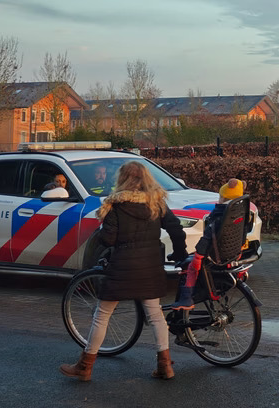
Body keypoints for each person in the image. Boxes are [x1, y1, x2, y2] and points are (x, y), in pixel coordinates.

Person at [60, 161, 188, 382]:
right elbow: (176, 229)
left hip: (123, 265)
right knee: (156, 315)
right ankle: (165, 365)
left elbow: (108, 239)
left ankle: (85, 366)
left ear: (122, 179)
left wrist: (101, 231)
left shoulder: (115, 206)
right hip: (150, 265)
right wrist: (180, 253)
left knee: (102, 315)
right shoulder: (156, 203)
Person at [166, 178, 245, 311]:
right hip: (229, 253)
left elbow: (206, 238)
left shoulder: (219, 217)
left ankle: (186, 299)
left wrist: (198, 256)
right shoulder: (237, 213)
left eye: (220, 197)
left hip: (211, 254)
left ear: (224, 199)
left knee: (191, 269)